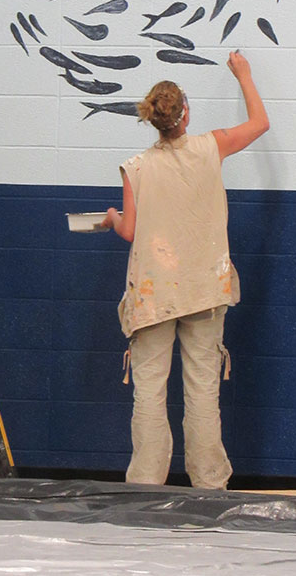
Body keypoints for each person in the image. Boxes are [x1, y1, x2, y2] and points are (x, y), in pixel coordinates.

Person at [102, 50, 269, 489]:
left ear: (152, 120)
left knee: (150, 394)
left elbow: (129, 231)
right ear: (185, 113)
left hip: (153, 295)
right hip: (204, 290)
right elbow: (259, 124)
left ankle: (144, 485)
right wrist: (244, 75)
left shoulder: (136, 167)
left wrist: (111, 218)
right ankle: (210, 483)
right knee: (202, 392)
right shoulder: (210, 147)